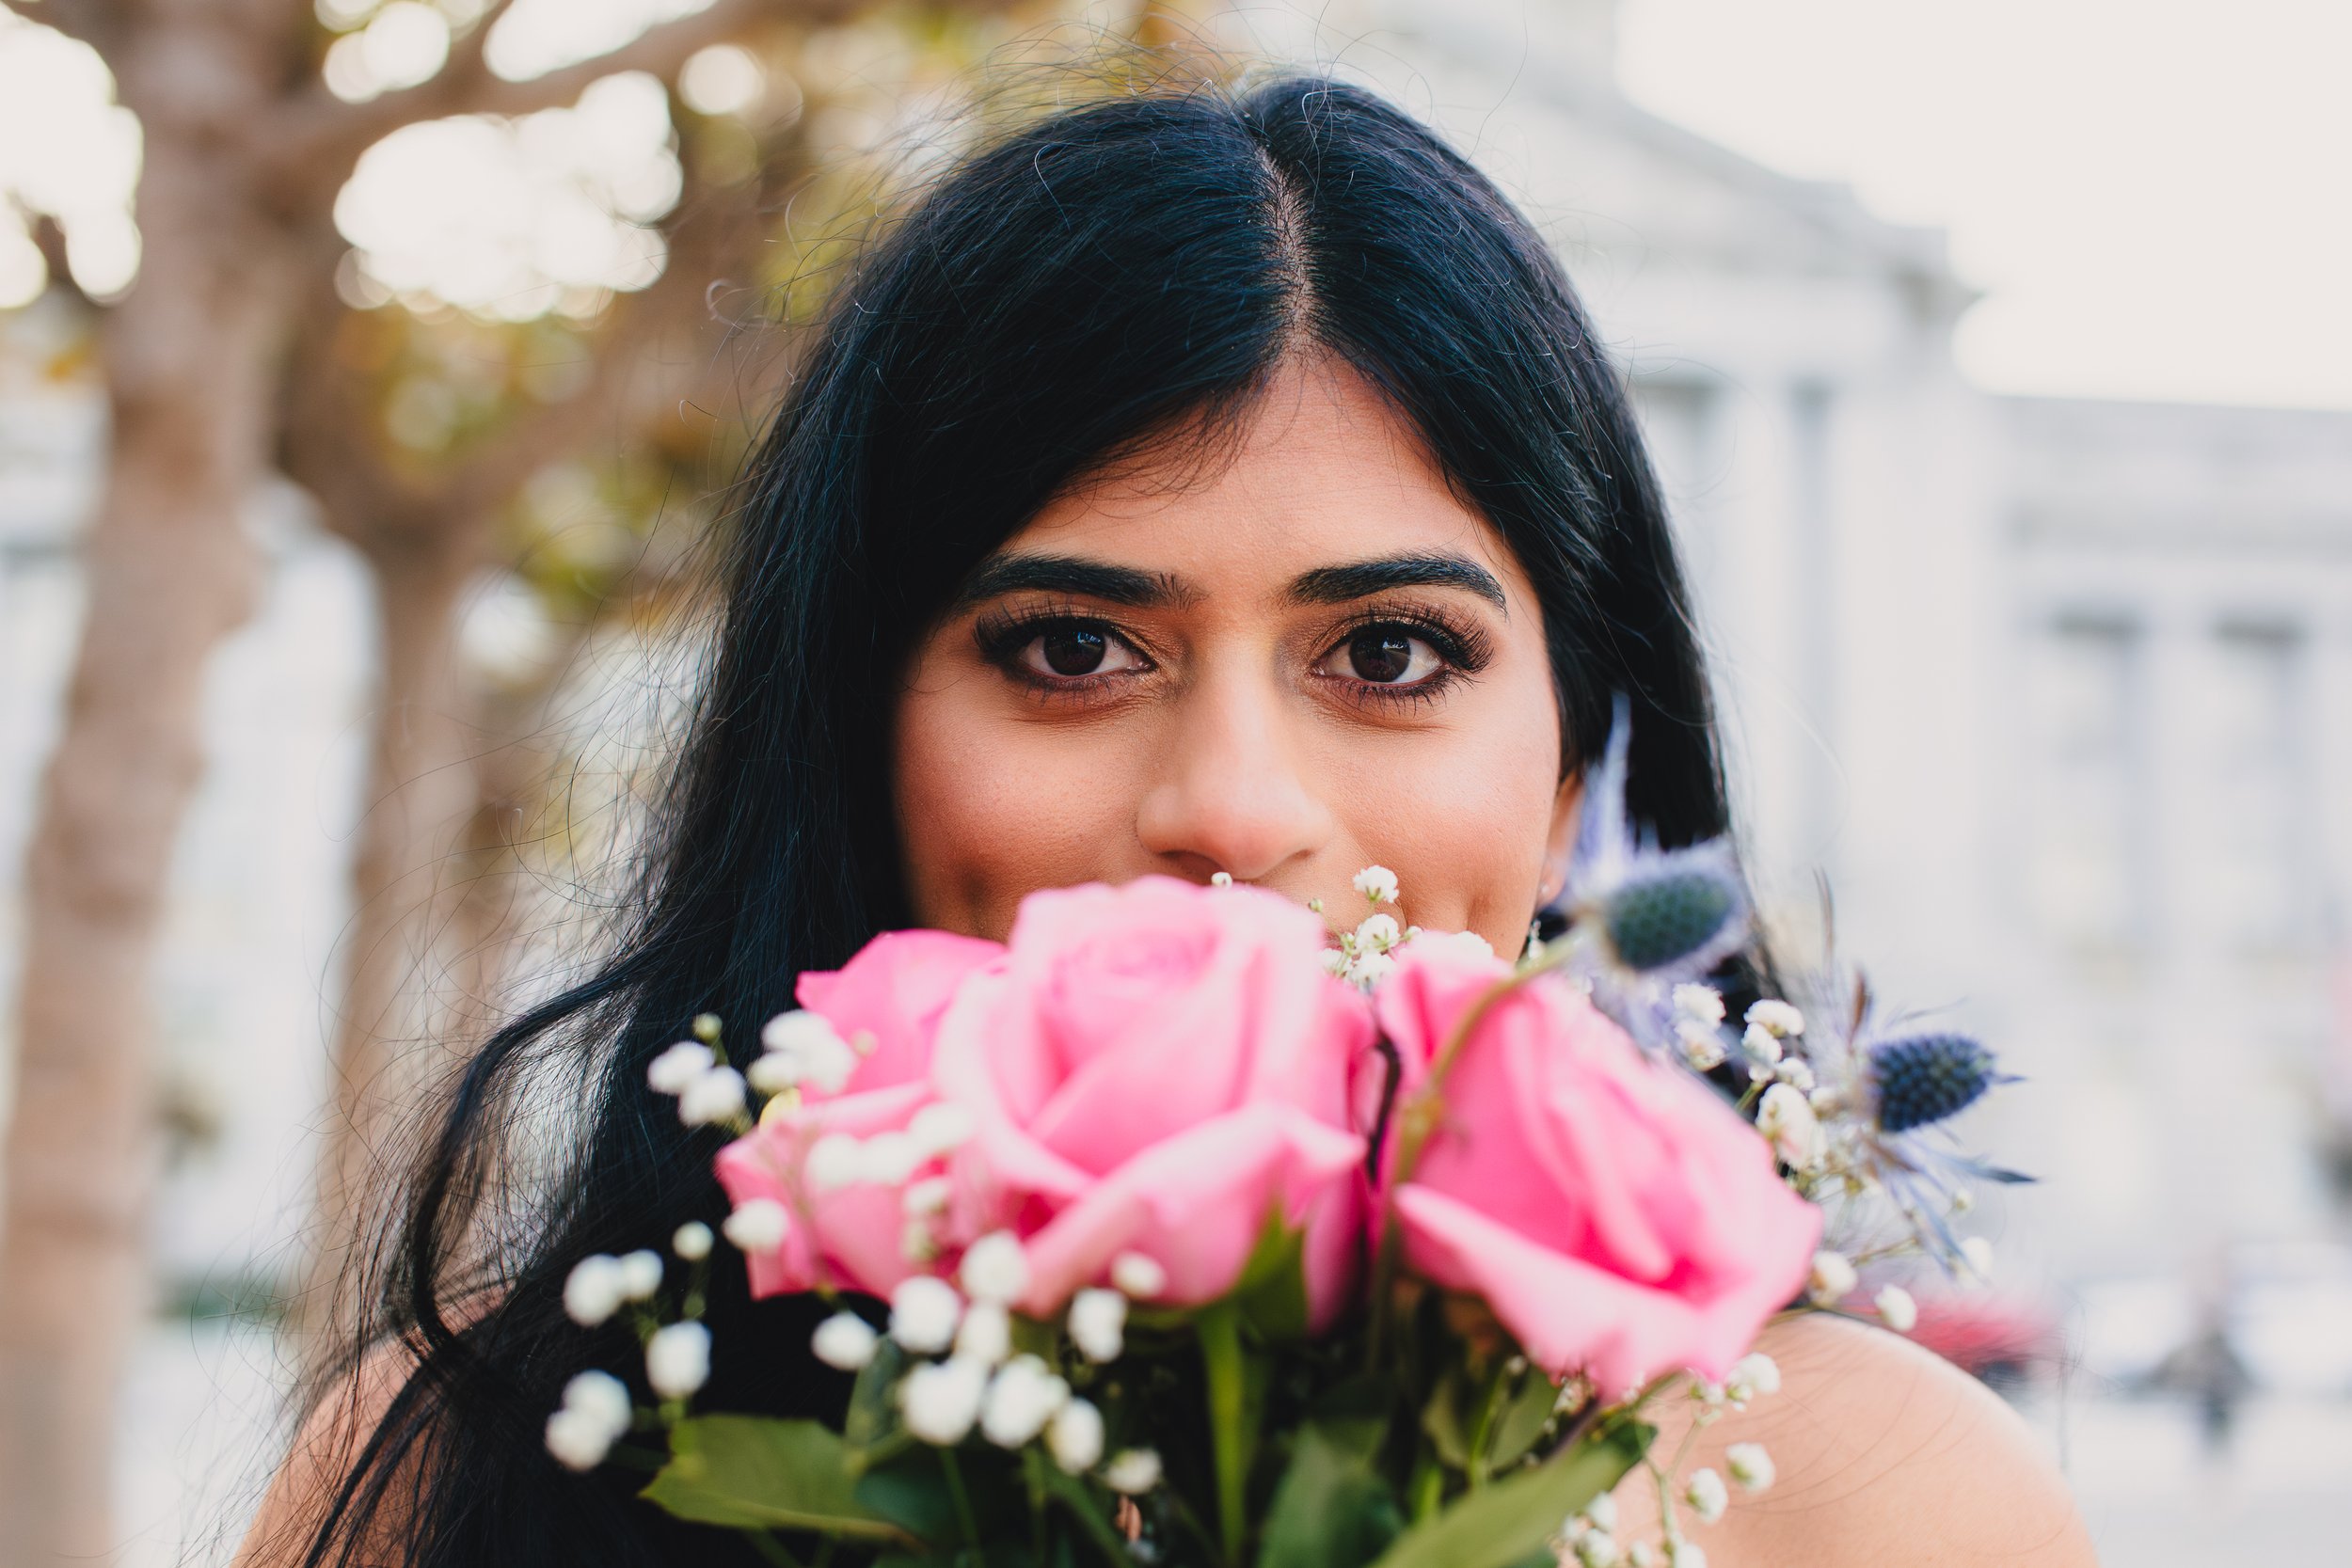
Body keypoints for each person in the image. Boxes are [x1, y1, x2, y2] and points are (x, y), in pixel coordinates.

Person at [236, 70, 2096, 1568]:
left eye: (1384, 651)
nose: (1226, 809)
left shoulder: (1880, 1505)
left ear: (1570, 790)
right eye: (1065, 647)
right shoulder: (457, 1482)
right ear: (854, 732)